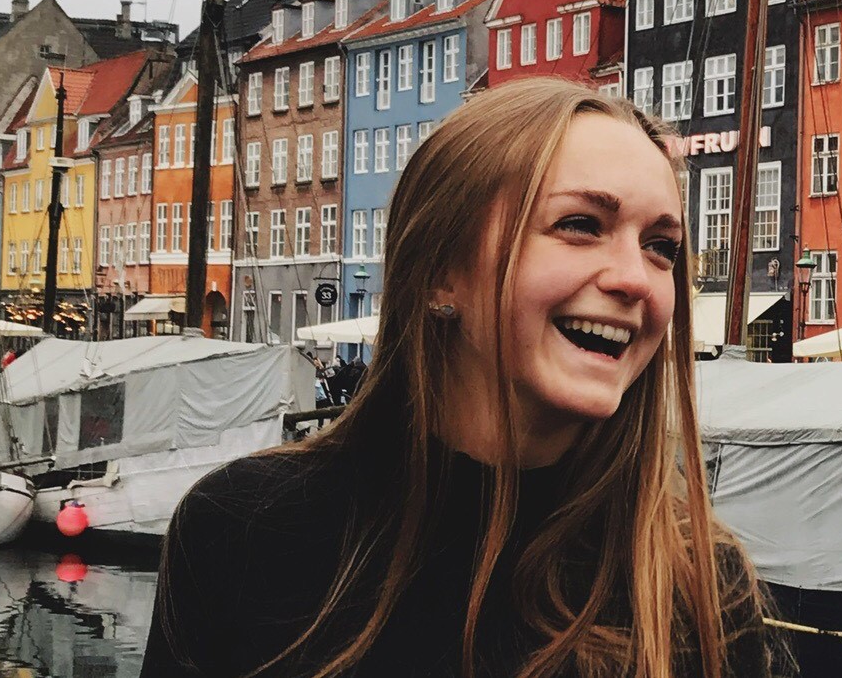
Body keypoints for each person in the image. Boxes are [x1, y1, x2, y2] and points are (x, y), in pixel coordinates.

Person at [142, 78, 782, 677]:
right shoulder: (245, 528)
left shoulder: (701, 587)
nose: (636, 279)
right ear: (441, 272)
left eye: (661, 247)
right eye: (580, 226)